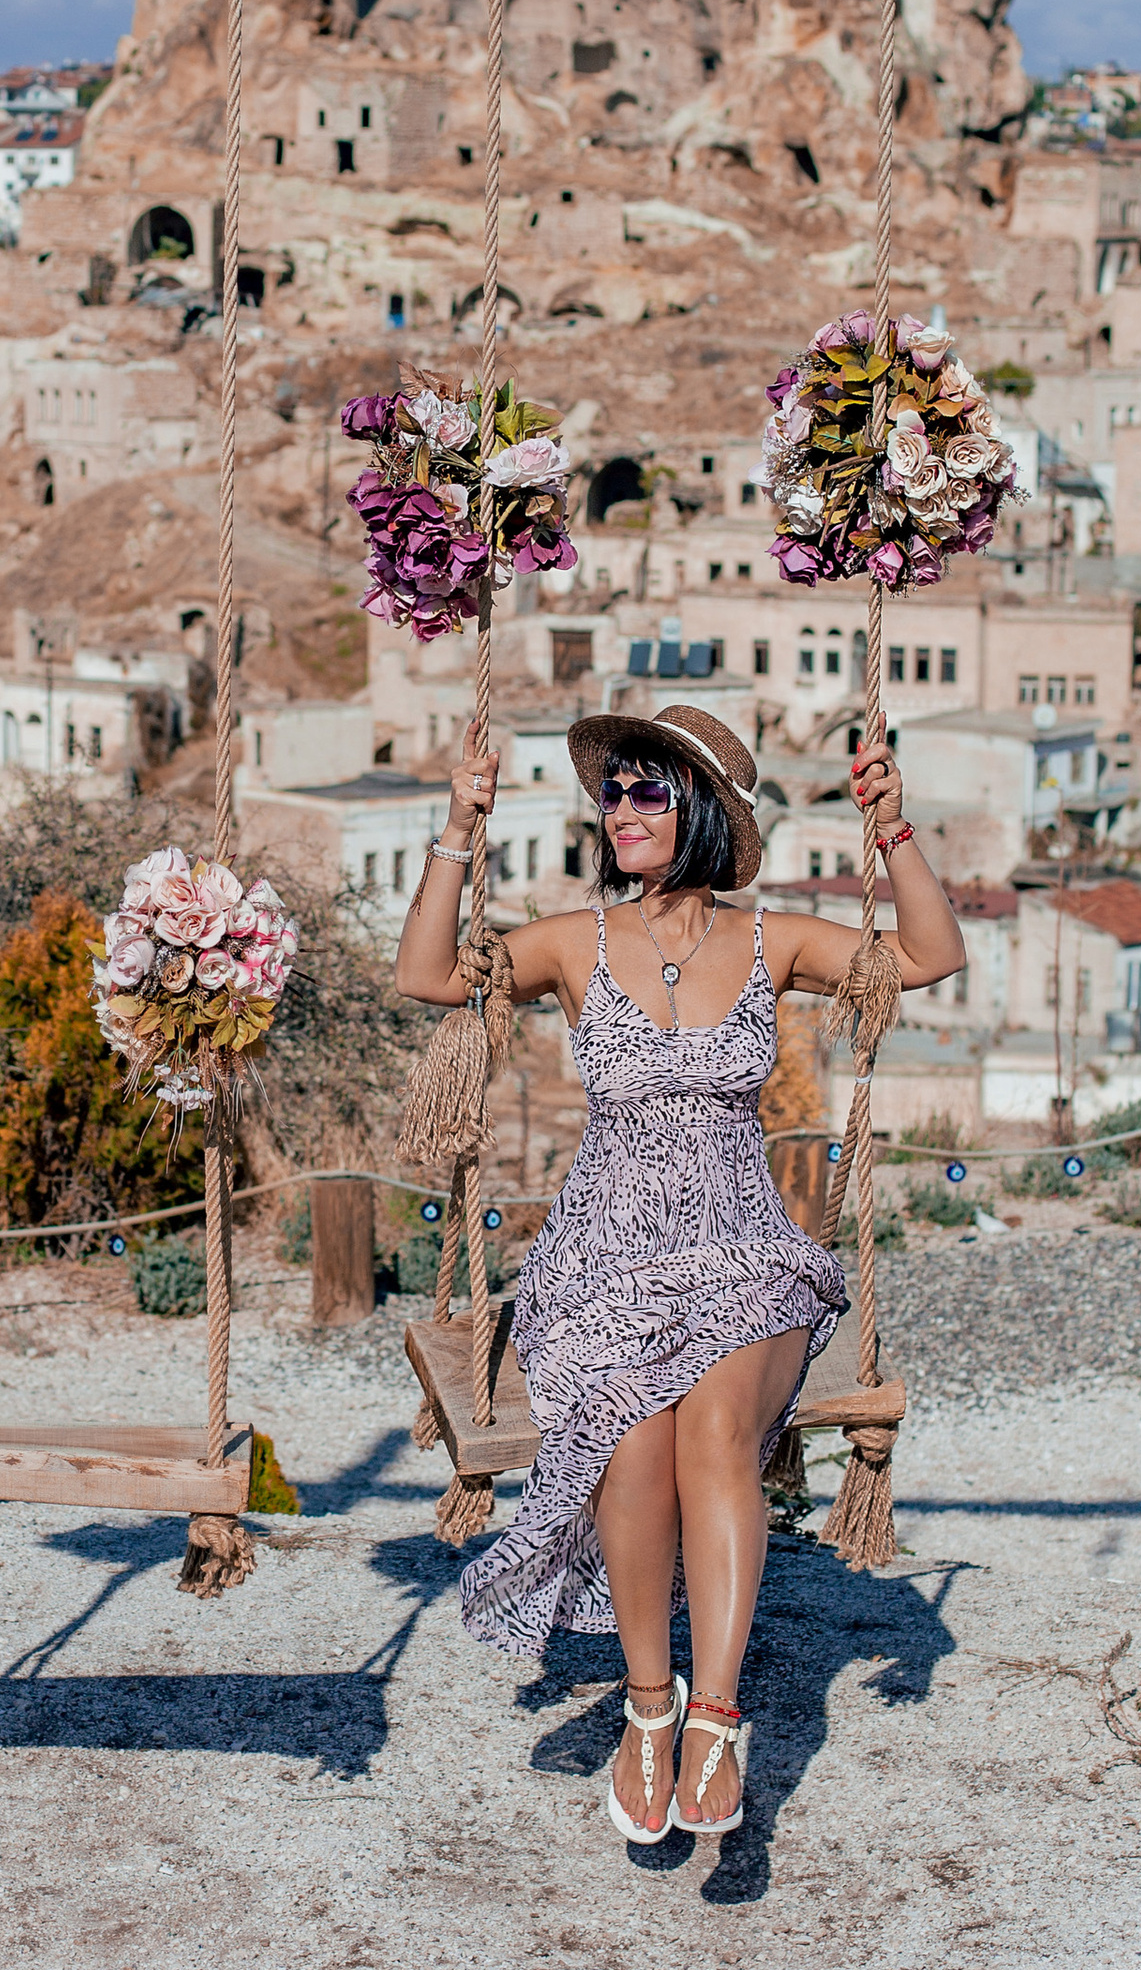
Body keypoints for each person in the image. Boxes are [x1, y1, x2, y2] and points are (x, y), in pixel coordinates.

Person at [394, 701, 964, 1842]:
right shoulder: (573, 941)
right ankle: (644, 1710)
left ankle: (713, 1712)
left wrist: (893, 830)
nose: (622, 809)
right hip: (601, 1254)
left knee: (713, 1437)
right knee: (628, 1440)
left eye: (648, 789)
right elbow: (425, 976)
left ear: (699, 807)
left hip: (742, 1245)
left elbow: (930, 956)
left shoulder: (772, 941)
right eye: (612, 791)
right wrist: (459, 824)